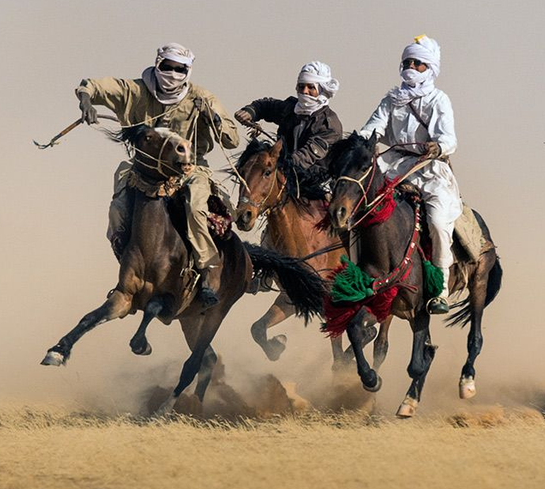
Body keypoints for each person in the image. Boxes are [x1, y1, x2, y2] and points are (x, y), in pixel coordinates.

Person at [76, 42, 239, 305]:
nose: (173, 74)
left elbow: (232, 140)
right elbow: (91, 85)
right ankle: (126, 261)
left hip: (189, 168)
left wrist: (213, 118)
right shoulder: (135, 90)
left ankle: (207, 268)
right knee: (118, 205)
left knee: (196, 207)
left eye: (180, 69)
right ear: (157, 63)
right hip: (145, 168)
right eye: (168, 66)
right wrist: (86, 101)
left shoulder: (202, 97)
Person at [359, 35, 460, 315]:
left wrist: (437, 146)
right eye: (408, 62)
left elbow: (450, 139)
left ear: (430, 68)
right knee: (356, 204)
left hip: (428, 168)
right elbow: (373, 128)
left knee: (439, 222)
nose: (411, 67)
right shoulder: (392, 99)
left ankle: (440, 289)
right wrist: (358, 142)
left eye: (418, 63)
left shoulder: (439, 99)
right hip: (392, 166)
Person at [234, 60, 344, 195]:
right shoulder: (290, 109)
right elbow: (265, 106)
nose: (305, 92)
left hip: (315, 184)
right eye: (301, 86)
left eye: (311, 87)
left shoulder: (330, 125)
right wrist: (250, 111)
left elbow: (305, 157)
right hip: (284, 174)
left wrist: (278, 163)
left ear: (321, 90)